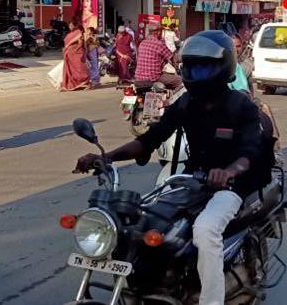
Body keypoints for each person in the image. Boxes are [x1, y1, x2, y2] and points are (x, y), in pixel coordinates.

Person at [72, 30, 274, 305]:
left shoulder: (241, 106)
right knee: (143, 222)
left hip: (233, 185)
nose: (196, 73)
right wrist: (107, 157)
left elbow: (251, 151)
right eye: (191, 66)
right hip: (192, 180)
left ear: (222, 67)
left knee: (205, 230)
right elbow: (148, 140)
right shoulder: (187, 103)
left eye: (203, 67)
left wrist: (229, 171)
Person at [135, 23, 182, 90]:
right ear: (159, 32)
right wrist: (185, 58)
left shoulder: (142, 43)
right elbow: (173, 58)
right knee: (179, 80)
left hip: (138, 77)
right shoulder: (159, 44)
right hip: (153, 78)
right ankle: (172, 99)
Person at [62, 22, 90, 91]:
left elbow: (80, 43)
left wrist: (75, 50)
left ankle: (85, 83)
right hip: (69, 54)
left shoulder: (78, 32)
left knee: (79, 69)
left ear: (75, 26)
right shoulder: (69, 34)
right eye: (69, 25)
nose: (70, 26)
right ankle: (72, 84)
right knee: (70, 70)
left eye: (71, 25)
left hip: (77, 54)